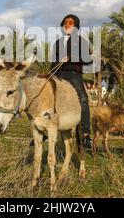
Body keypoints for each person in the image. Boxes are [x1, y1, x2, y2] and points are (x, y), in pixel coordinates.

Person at [50, 14, 93, 149]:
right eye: (65, 23)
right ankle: (45, 130)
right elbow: (52, 64)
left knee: (83, 99)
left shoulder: (82, 42)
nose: (66, 25)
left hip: (73, 75)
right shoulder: (57, 42)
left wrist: (72, 58)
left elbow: (88, 59)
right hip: (58, 74)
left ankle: (86, 134)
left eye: (70, 23)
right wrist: (59, 62)